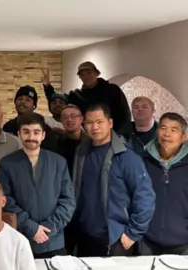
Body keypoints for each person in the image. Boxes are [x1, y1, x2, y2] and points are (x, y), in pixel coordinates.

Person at [72, 103, 155, 257]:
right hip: (85, 235)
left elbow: (145, 197)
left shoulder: (127, 157)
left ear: (110, 123)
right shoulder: (81, 151)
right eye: (89, 123)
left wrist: (132, 233)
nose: (94, 127)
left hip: (115, 237)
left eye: (99, 122)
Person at [0, 113, 75, 258]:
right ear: (18, 134)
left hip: (53, 241)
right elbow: (5, 201)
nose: (31, 137)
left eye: (36, 132)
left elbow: (68, 202)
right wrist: (31, 228)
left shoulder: (59, 163)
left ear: (43, 135)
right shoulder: (7, 164)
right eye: (26, 131)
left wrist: (48, 229)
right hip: (19, 241)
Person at [140, 112, 188, 255]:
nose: (167, 134)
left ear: (183, 137)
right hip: (147, 240)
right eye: (163, 128)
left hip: (183, 243)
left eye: (174, 130)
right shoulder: (143, 161)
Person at [42, 63, 131, 135]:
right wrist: (47, 87)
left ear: (96, 73)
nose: (86, 76)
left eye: (89, 73)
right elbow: (59, 101)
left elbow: (124, 112)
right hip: (91, 135)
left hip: (115, 134)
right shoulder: (77, 96)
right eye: (83, 75)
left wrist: (121, 134)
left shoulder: (112, 89)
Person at [55, 104, 88, 254]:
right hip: (62, 199)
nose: (69, 120)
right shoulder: (56, 143)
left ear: (81, 119)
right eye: (65, 117)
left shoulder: (90, 142)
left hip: (85, 199)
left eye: (73, 116)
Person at [2, 85, 59, 152]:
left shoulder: (43, 128)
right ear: (15, 102)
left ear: (34, 106)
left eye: (28, 100)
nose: (22, 102)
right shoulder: (8, 127)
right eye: (20, 99)